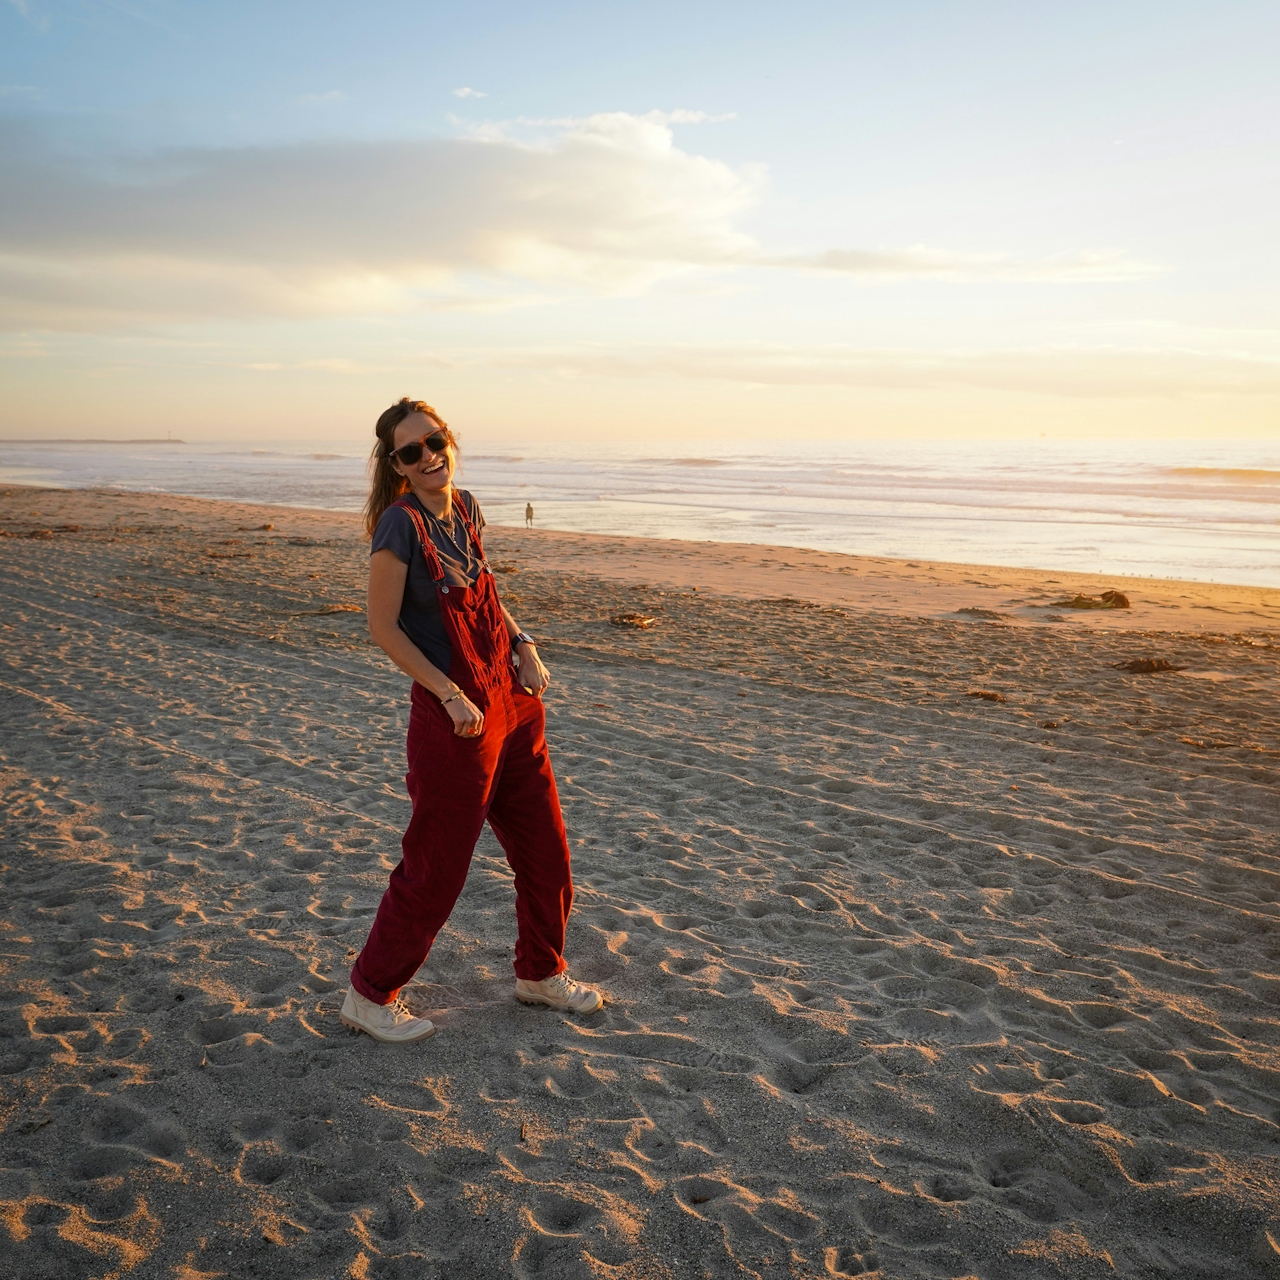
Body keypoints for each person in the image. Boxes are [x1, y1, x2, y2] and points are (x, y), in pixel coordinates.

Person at [340, 398, 603, 1043]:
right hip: (454, 717)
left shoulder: (467, 508)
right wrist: (449, 693)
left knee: (547, 850)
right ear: (396, 466)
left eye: (436, 442)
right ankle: (369, 995)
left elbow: (486, 590)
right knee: (437, 866)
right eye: (412, 452)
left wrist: (524, 644)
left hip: (510, 702)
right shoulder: (399, 526)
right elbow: (382, 627)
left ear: (449, 441)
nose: (430, 457)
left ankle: (540, 972)